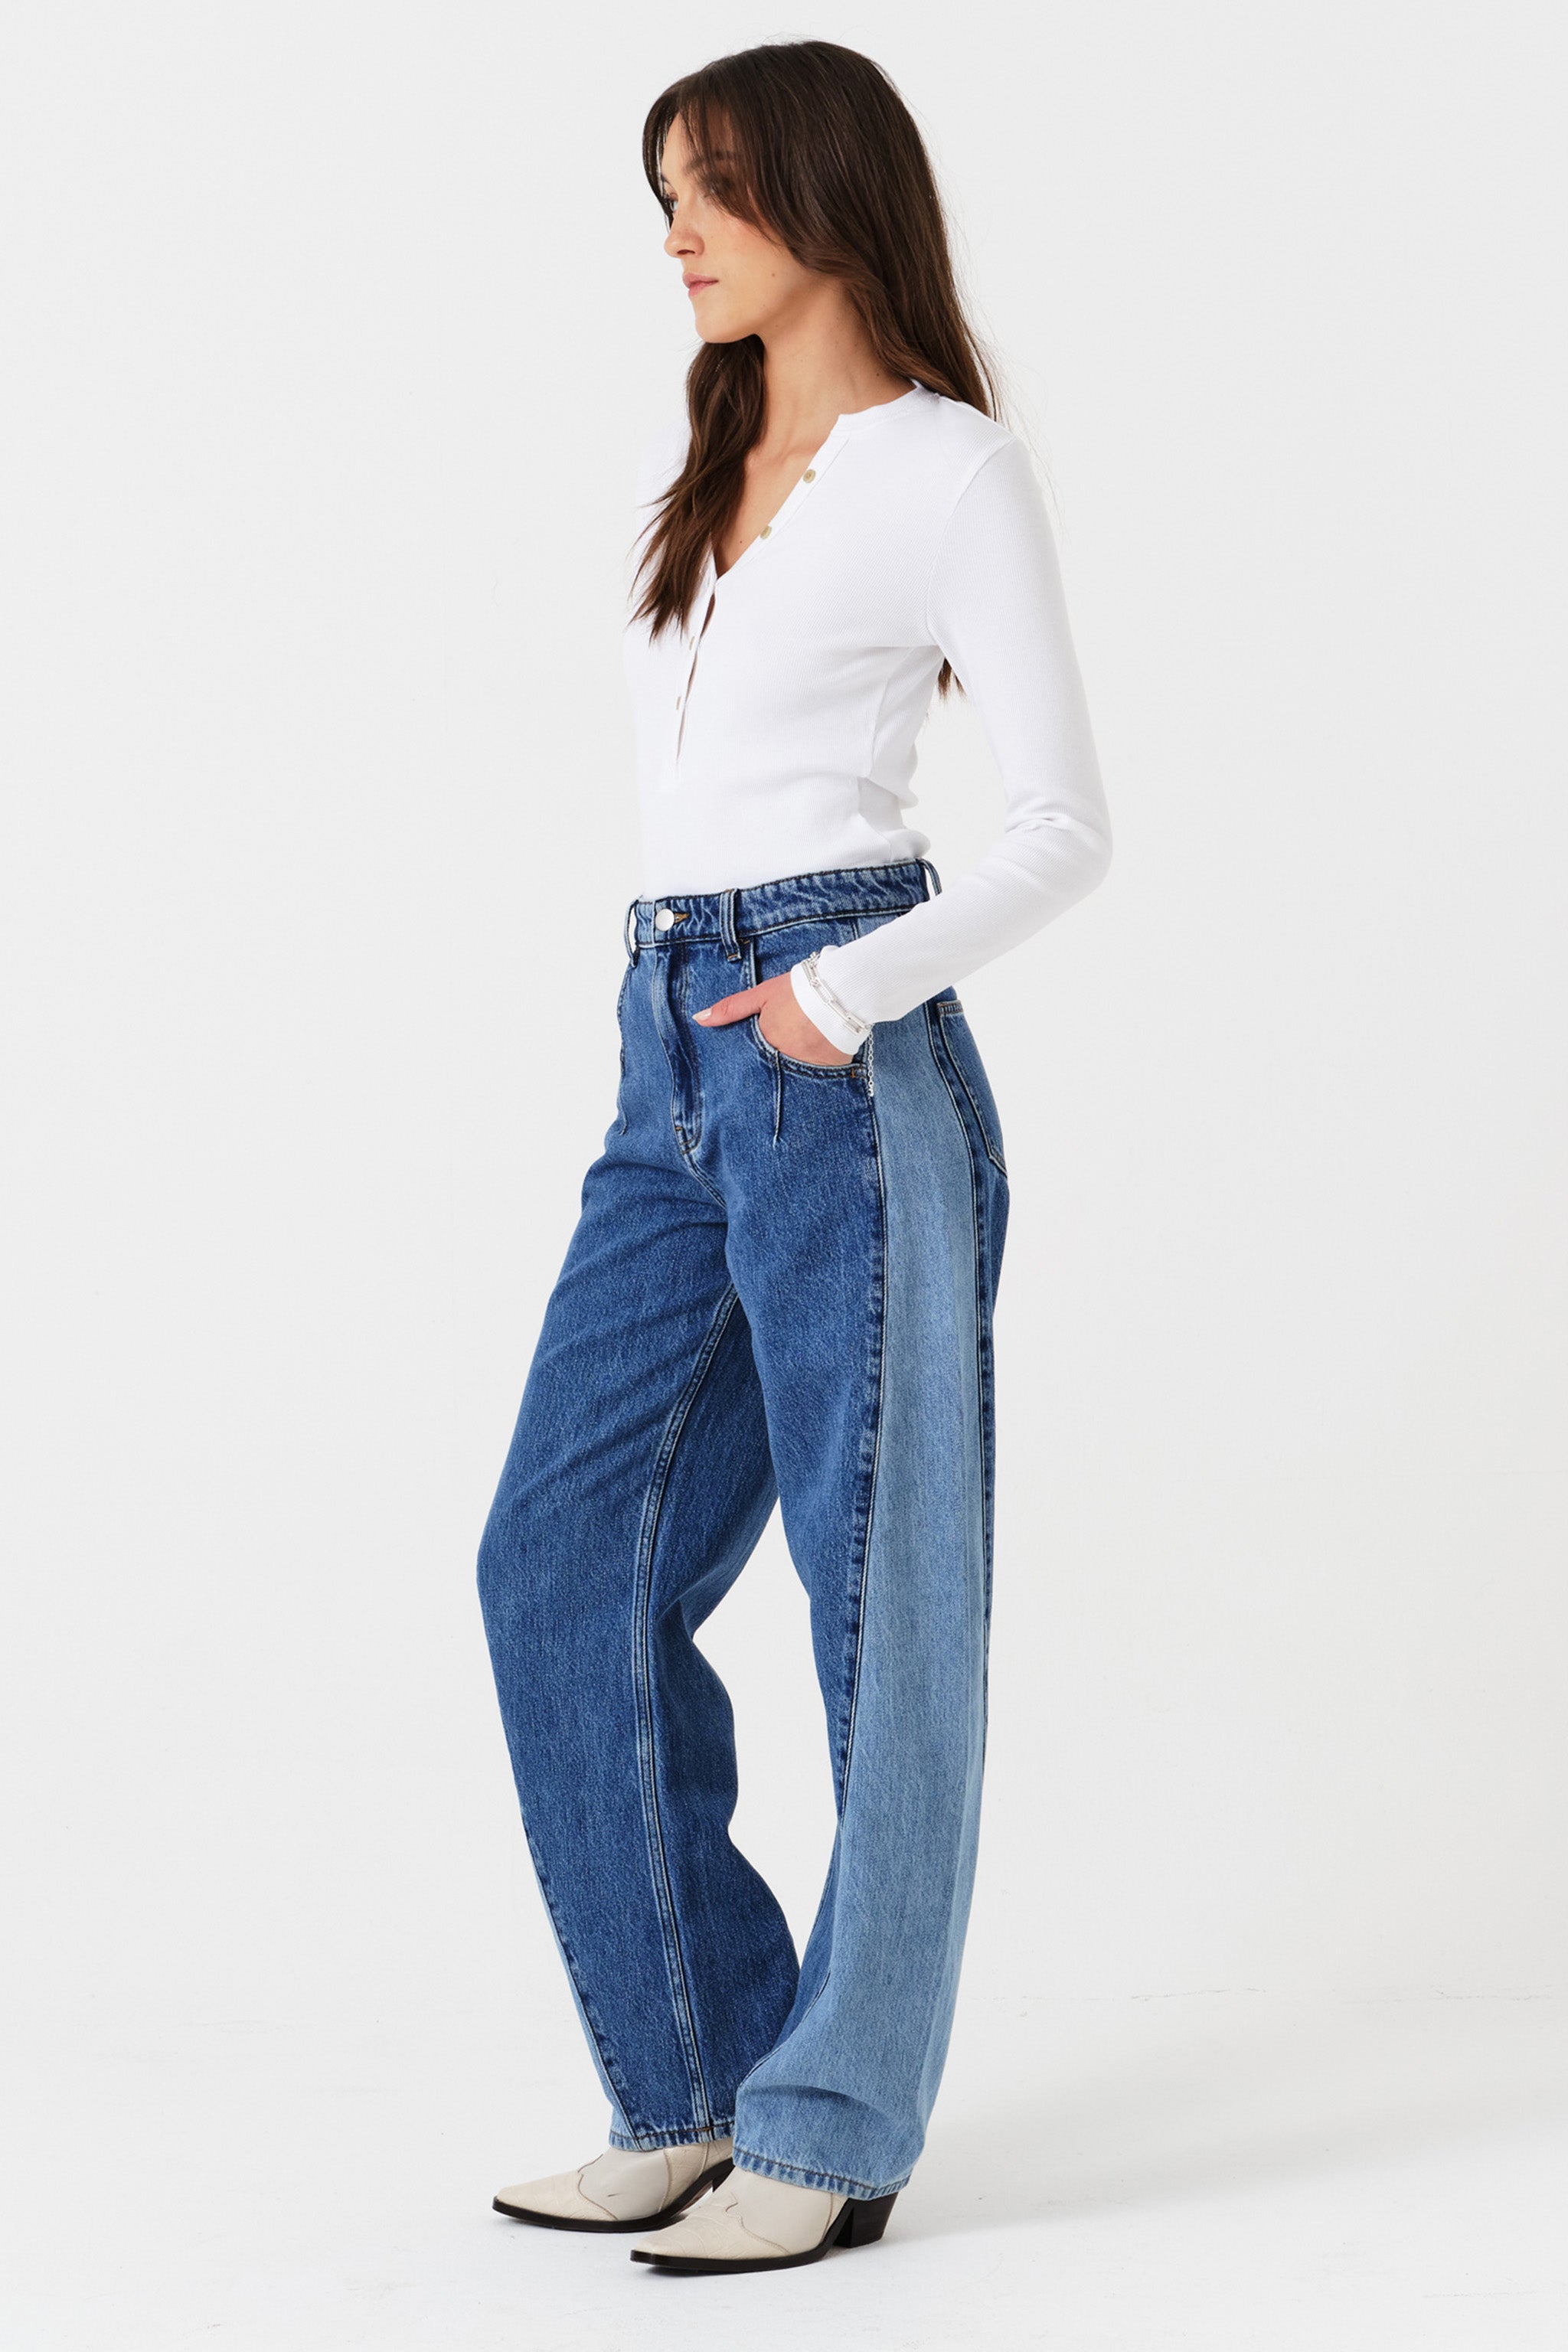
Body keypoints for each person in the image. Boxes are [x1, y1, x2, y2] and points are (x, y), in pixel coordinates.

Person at [476, 38, 1111, 2276]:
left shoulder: (945, 469)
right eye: (664, 191)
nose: (679, 231)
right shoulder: (716, 450)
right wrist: (718, 1012)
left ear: (833, 191)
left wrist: (843, 1000)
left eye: (717, 186)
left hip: (841, 1046)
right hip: (668, 1054)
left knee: (878, 1612)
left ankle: (835, 2124)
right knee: (556, 1563)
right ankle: (693, 2083)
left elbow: (1061, 830)